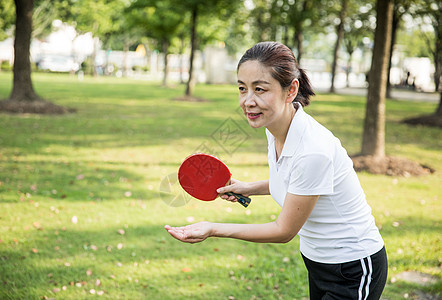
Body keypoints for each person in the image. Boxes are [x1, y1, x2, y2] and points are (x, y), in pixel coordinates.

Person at [165, 42, 388, 300]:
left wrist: (213, 228)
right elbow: (296, 182)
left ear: (291, 90)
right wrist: (248, 187)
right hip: (319, 262)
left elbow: (283, 231)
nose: (248, 101)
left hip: (354, 267)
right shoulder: (277, 128)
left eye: (260, 89)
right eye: (242, 88)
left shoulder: (313, 150)